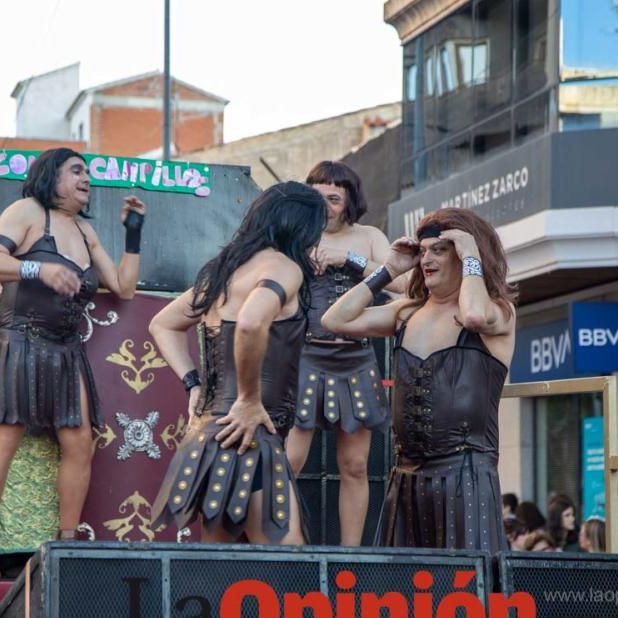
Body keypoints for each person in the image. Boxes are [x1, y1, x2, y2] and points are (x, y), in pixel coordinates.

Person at [0, 148, 147, 579]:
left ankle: (66, 545)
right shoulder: (27, 211)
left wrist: (134, 234)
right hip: (22, 339)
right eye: (77, 170)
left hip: (66, 350)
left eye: (89, 173)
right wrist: (37, 270)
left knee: (79, 442)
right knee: (7, 435)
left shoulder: (86, 232)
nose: (87, 179)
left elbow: (123, 287)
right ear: (52, 176)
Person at [321, 207, 517, 552]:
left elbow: (472, 315)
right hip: (407, 476)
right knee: (405, 594)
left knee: (466, 591)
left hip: (465, 475)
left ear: (464, 254)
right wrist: (388, 271)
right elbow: (335, 320)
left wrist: (472, 254)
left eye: (439, 250)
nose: (426, 259)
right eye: (424, 251)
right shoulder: (407, 311)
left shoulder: (498, 311)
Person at [150, 181, 326, 544]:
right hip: (249, 438)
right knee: (289, 570)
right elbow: (249, 322)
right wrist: (248, 399)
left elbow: (163, 324)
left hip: (213, 435)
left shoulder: (226, 271)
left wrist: (193, 384)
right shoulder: (283, 267)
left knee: (220, 575)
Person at [285, 161, 401, 546]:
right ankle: (283, 543)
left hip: (355, 357)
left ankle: (352, 555)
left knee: (354, 465)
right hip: (305, 353)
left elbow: (401, 282)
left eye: (334, 199)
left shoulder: (369, 235)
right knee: (289, 462)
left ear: (350, 202)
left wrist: (347, 259)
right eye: (317, 198)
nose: (325, 207)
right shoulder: (294, 234)